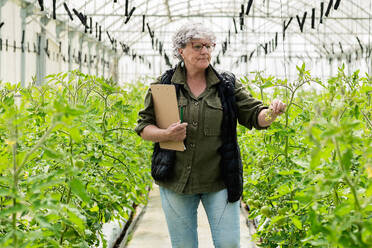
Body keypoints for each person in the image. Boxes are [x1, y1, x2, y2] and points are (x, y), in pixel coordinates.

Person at [135, 23, 286, 248]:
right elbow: (144, 127)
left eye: (209, 46)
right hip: (176, 180)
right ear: (181, 50)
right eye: (197, 46)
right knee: (184, 245)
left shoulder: (226, 85)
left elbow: (255, 115)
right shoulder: (164, 85)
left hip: (220, 180)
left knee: (229, 243)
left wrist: (271, 113)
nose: (205, 51)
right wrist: (165, 133)